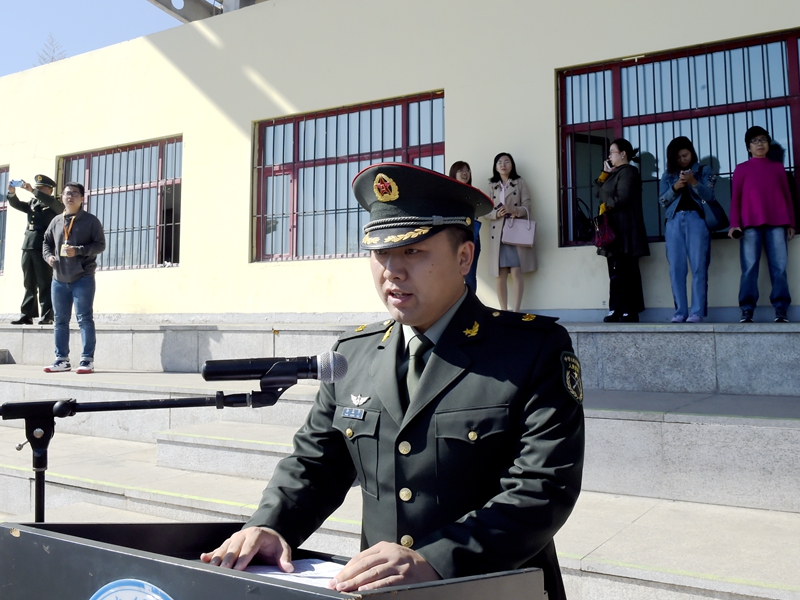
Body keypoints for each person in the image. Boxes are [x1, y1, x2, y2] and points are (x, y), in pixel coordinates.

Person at [201, 163, 585, 600]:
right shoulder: (352, 355)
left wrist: (438, 559)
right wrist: (271, 525)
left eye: (413, 251)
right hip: (381, 592)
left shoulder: (531, 350)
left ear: (464, 258)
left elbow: (543, 487)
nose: (392, 271)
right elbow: (316, 462)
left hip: (494, 588)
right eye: (380, 254)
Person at [729, 126, 795, 323]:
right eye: (755, 141)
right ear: (748, 147)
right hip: (749, 225)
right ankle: (747, 309)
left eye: (763, 140)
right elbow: (735, 199)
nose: (760, 144)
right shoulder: (741, 169)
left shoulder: (778, 168)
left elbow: (787, 196)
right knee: (749, 268)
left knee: (779, 267)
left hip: (778, 223)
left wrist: (791, 223)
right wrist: (734, 224)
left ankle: (781, 309)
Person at [41, 182, 106, 374]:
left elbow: (100, 245)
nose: (70, 197)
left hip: (82, 277)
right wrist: (49, 257)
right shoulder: (56, 221)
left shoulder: (91, 221)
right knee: (60, 320)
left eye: (75, 194)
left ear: (82, 198)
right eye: (67, 193)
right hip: (59, 278)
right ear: (62, 197)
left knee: (84, 318)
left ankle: (87, 360)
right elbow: (46, 243)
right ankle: (62, 359)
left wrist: (78, 251)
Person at [658, 137, 716, 323]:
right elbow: (662, 201)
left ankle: (697, 312)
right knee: (676, 268)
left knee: (699, 266)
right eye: (678, 157)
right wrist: (676, 186)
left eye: (685, 155)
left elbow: (710, 196)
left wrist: (693, 182)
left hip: (697, 219)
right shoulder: (668, 174)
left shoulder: (704, 170)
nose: (683, 160)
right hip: (674, 220)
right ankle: (680, 312)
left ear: (692, 153)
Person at [596, 138, 650, 322]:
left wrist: (606, 202)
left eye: (612, 152)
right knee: (615, 270)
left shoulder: (628, 172)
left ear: (623, 154)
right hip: (614, 228)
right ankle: (616, 308)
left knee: (627, 270)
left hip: (626, 228)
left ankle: (630, 309)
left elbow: (622, 198)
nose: (609, 156)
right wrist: (604, 175)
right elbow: (598, 191)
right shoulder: (614, 173)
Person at [6, 174, 64, 325]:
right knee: (29, 282)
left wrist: (33, 190)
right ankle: (27, 314)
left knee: (44, 282)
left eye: (41, 188)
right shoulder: (33, 203)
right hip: (28, 245)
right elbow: (17, 205)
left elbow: (55, 206)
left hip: (43, 247)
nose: (38, 191)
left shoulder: (54, 204)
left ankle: (47, 315)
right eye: (37, 188)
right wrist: (12, 193)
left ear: (50, 190)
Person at [485, 153, 536, 312]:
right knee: (500, 274)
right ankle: (503, 311)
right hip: (498, 233)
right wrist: (496, 213)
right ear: (495, 167)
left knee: (516, 272)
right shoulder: (492, 185)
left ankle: (516, 311)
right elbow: (485, 210)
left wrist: (514, 210)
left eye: (507, 161)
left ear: (512, 165)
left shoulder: (520, 182)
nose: (503, 165)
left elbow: (527, 206)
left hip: (515, 231)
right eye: (499, 162)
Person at [448, 161, 481, 292]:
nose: (465, 173)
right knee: (453, 272)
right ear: (454, 174)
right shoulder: (449, 194)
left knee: (470, 274)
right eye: (460, 170)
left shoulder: (474, 193)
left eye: (467, 170)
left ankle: (470, 303)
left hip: (472, 236)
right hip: (454, 237)